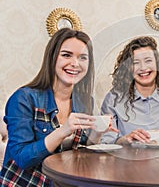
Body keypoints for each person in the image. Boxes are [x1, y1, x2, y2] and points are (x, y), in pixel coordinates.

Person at [0, 28, 117, 186]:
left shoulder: (84, 101)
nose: (75, 63)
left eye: (83, 58)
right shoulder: (24, 98)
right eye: (66, 55)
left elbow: (80, 153)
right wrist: (62, 131)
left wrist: (96, 134)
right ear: (52, 57)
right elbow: (22, 158)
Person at [100, 36, 159, 146]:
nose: (143, 68)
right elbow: (107, 141)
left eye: (148, 61)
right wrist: (126, 139)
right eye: (136, 62)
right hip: (126, 162)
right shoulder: (113, 100)